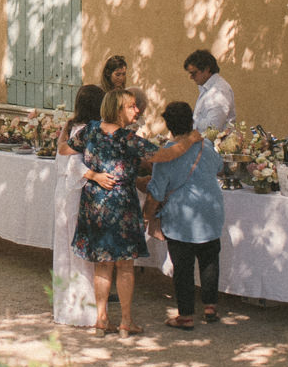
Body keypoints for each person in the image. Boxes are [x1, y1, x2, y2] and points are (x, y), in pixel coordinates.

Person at [72, 89, 200, 335]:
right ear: (119, 109)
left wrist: (92, 173)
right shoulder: (128, 139)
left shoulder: (89, 130)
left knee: (102, 265)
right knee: (125, 265)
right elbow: (164, 155)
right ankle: (125, 321)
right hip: (121, 204)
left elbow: (67, 152)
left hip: (94, 202)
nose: (137, 110)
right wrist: (190, 141)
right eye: (132, 106)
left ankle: (101, 320)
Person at [145, 101, 228, 328]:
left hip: (182, 218)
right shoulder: (206, 146)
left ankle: (186, 315)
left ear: (169, 126)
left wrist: (147, 214)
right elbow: (219, 165)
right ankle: (210, 306)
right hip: (211, 212)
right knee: (210, 261)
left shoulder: (167, 156)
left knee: (183, 268)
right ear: (191, 121)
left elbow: (156, 191)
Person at [52, 84, 103, 328]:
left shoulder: (70, 126)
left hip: (63, 191)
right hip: (76, 192)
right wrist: (96, 176)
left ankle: (66, 305)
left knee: (65, 246)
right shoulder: (88, 131)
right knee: (79, 249)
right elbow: (74, 165)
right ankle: (83, 309)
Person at [185, 49, 236, 134]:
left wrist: (190, 122)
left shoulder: (219, 91)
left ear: (207, 69)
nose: (191, 77)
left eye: (194, 73)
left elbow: (213, 128)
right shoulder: (206, 88)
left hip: (213, 145)